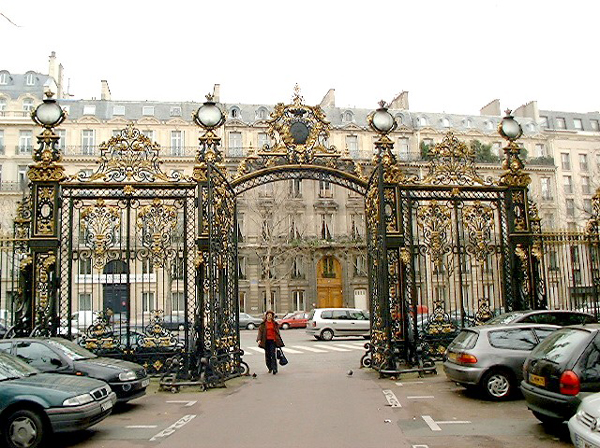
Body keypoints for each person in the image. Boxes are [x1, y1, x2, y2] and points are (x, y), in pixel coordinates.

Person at [256, 310, 284, 374]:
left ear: (272, 317)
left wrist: (278, 340)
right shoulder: (263, 324)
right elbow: (260, 332)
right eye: (268, 315)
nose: (269, 317)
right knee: (267, 355)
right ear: (266, 316)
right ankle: (269, 367)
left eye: (270, 316)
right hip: (266, 341)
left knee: (273, 355)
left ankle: (275, 369)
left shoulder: (274, 323)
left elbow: (277, 332)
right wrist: (259, 339)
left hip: (273, 341)